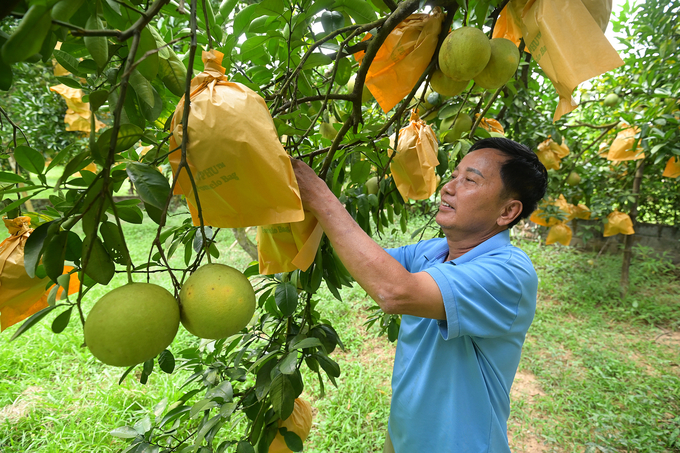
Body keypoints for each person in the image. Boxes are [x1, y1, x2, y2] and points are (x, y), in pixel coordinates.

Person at [291, 137, 548, 453]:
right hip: (402, 438)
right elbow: (364, 266)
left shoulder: (509, 273)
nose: (448, 188)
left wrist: (321, 198)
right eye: (454, 176)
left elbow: (393, 292)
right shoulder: (434, 252)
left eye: (469, 180)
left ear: (508, 211)